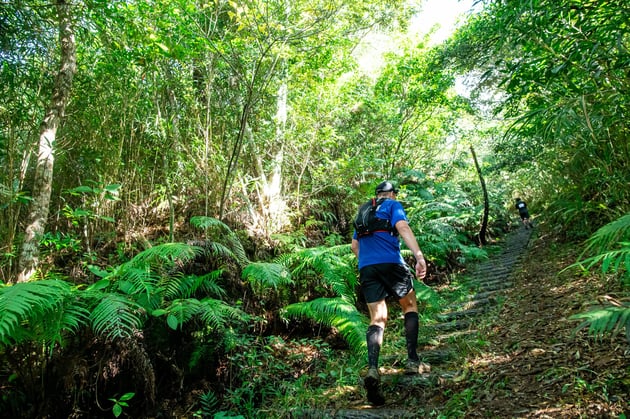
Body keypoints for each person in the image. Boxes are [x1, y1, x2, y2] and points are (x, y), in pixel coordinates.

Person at [351, 181, 430, 406]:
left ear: (376, 194)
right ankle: (413, 361)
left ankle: (373, 368)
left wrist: (369, 263)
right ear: (392, 194)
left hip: (367, 267)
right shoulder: (393, 205)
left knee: (377, 319)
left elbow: (354, 247)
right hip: (392, 264)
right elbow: (403, 227)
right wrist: (418, 255)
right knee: (410, 306)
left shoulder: (364, 210)